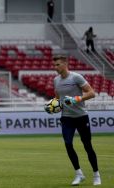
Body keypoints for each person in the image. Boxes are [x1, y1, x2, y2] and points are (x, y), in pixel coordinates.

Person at [45, 55, 101, 186]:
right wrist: (53, 107)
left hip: (81, 116)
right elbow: (58, 99)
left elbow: (92, 93)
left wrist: (76, 99)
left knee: (87, 146)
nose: (55, 67)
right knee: (68, 144)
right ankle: (79, 174)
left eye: (58, 64)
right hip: (66, 118)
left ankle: (96, 174)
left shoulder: (76, 77)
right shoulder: (56, 80)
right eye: (54, 65)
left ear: (65, 64)